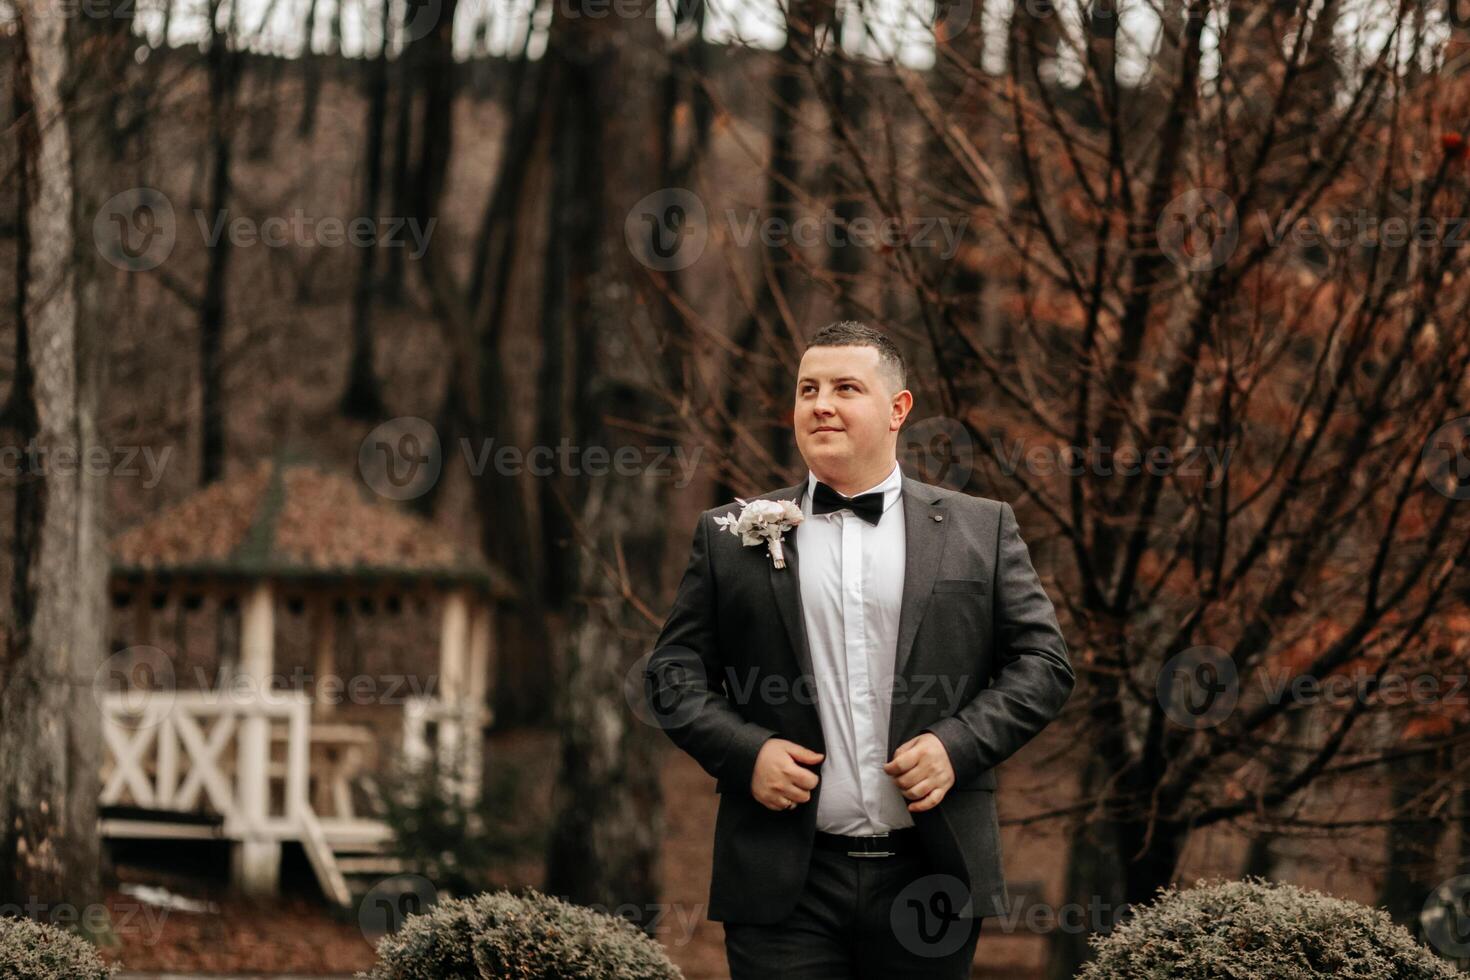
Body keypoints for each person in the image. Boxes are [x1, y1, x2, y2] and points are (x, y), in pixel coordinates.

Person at [646, 320, 1074, 979]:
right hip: (781, 880)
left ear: (898, 409)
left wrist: (955, 744)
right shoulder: (731, 536)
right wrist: (745, 752)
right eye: (807, 389)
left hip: (931, 875)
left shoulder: (980, 529)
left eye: (846, 387)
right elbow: (672, 677)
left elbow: (1044, 667)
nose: (821, 403)